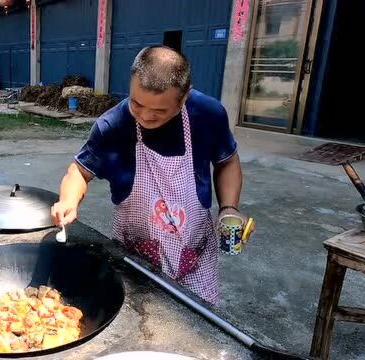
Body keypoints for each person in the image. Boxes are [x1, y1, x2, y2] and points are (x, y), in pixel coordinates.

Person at [50, 46, 247, 304]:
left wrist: (229, 207)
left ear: (184, 96)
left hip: (195, 258)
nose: (144, 115)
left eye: (159, 111)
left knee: (198, 326)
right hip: (135, 261)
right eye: (137, 103)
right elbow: (79, 171)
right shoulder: (113, 125)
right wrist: (68, 201)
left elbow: (228, 161)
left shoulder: (208, 115)